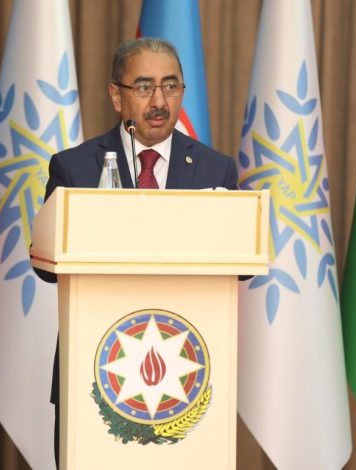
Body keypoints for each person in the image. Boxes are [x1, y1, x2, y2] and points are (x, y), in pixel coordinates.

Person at [36, 37, 238, 466]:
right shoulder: (75, 167)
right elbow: (47, 268)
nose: (159, 101)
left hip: (187, 377)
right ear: (117, 96)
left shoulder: (215, 169)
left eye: (171, 86)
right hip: (95, 372)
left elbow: (242, 266)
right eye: (144, 87)